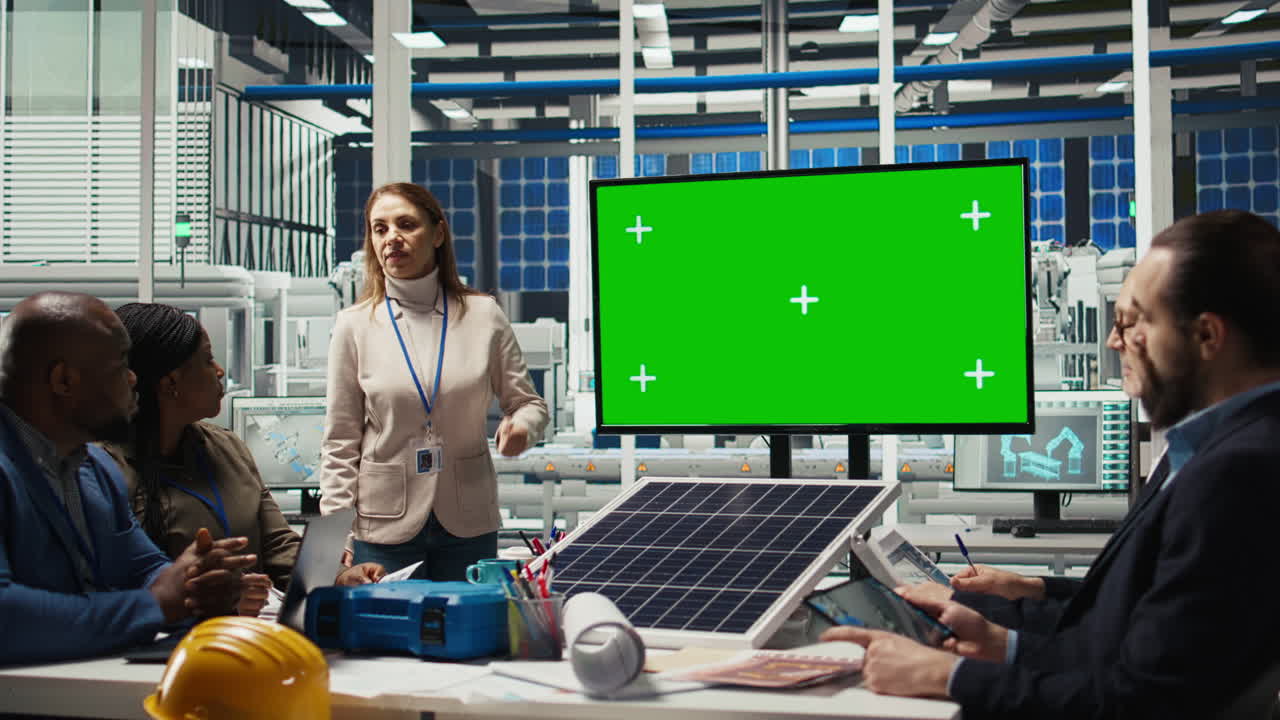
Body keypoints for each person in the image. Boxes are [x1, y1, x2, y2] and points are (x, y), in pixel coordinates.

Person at [824, 210, 1280, 719]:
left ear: (1207, 338)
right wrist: (1004, 641)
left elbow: (1143, 703)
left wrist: (948, 677)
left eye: (1131, 322)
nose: (1114, 341)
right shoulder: (1213, 451)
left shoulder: (1238, 473)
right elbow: (1135, 631)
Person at [0, 292, 255, 665]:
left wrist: (197, 582)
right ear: (64, 380)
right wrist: (153, 604)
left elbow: (141, 568)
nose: (134, 378)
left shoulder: (94, 467)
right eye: (121, 363)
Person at [320, 182, 549, 581]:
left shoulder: (483, 315)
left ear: (438, 233)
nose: (392, 238)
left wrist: (522, 427)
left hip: (468, 519)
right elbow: (340, 442)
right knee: (389, 638)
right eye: (380, 228)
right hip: (384, 524)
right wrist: (335, 533)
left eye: (406, 225)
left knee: (471, 634)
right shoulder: (353, 326)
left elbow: (529, 404)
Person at [100, 303, 385, 616]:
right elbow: (123, 587)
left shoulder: (227, 448)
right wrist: (221, 599)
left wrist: (339, 576)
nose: (220, 370)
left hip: (249, 634)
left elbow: (278, 545)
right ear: (170, 385)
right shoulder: (103, 472)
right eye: (207, 360)